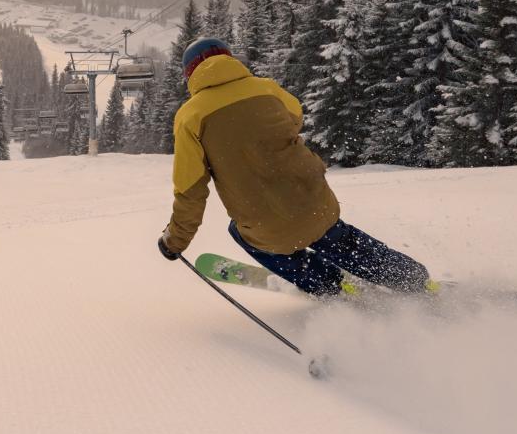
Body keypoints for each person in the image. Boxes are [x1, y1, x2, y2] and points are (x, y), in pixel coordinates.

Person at [156, 37, 435, 298]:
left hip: (265, 224)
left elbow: (190, 191)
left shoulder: (190, 117)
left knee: (247, 234)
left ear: (189, 74)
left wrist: (175, 242)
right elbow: (294, 118)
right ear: (230, 59)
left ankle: (330, 285)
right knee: (340, 240)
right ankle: (415, 280)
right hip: (314, 201)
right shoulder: (266, 88)